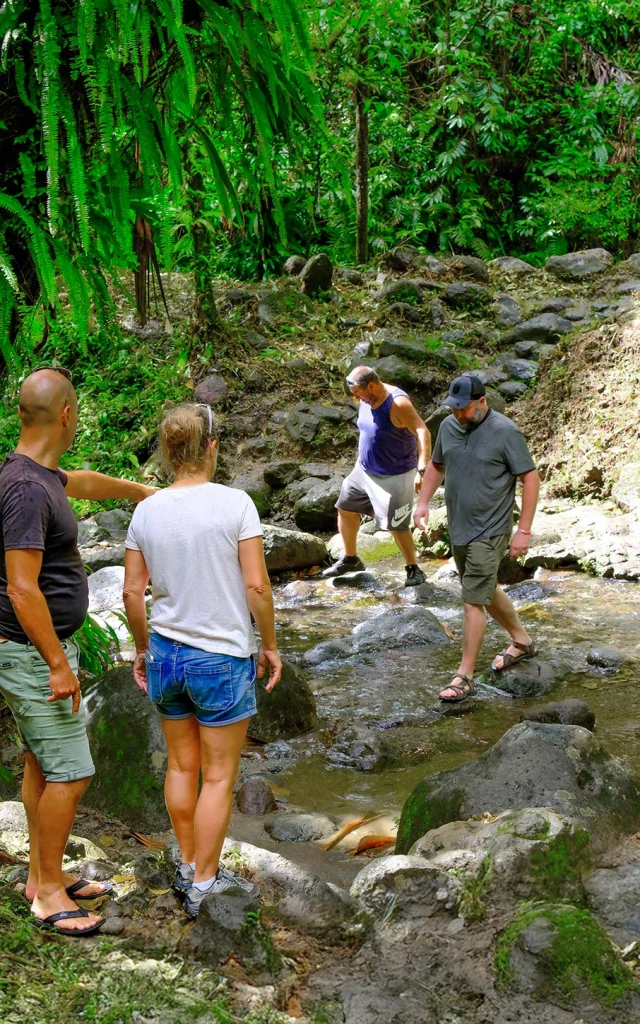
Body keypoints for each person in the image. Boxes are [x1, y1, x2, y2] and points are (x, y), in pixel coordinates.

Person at [0, 367, 156, 935]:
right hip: (29, 653)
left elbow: (81, 481)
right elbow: (21, 587)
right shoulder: (22, 489)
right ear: (67, 415)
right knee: (72, 772)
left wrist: (141, 492)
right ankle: (44, 892)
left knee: (43, 762)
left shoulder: (38, 475)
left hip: (35, 650)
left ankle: (46, 872)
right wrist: (58, 664)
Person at [123, 403, 282, 919]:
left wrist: (144, 647)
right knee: (217, 776)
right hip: (220, 657)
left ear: (169, 453)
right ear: (211, 447)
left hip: (166, 654)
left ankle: (189, 862)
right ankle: (205, 883)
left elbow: (131, 592)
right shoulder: (235, 504)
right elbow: (256, 585)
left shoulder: (146, 510)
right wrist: (270, 644)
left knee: (181, 765)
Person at [414, 374, 540, 702]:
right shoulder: (449, 427)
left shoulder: (505, 432)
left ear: (482, 402)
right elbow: (437, 466)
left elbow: (530, 477)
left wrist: (523, 530)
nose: (459, 415)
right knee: (482, 589)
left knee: (471, 600)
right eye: (454, 409)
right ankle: (523, 640)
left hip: (492, 528)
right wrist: (423, 503)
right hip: (460, 527)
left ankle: (464, 676)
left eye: (465, 409)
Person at [323, 366, 430, 586]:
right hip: (363, 470)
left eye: (358, 393)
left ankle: (414, 569)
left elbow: (422, 431)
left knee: (397, 525)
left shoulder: (398, 403)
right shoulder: (367, 398)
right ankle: (351, 559)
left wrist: (422, 468)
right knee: (345, 507)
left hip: (395, 473)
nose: (356, 398)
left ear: (371, 385)